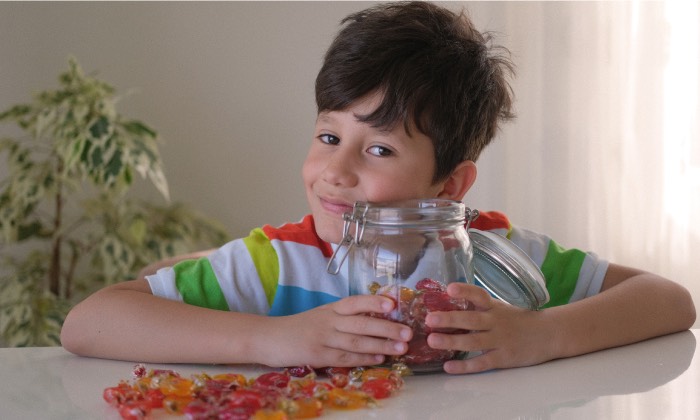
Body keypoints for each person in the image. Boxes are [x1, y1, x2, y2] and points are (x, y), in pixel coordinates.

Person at [61, 1, 695, 374]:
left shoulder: (494, 260)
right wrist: (274, 338)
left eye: (381, 149)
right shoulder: (276, 264)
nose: (335, 172)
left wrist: (538, 335)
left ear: (450, 186)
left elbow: (668, 300)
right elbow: (87, 324)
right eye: (329, 137)